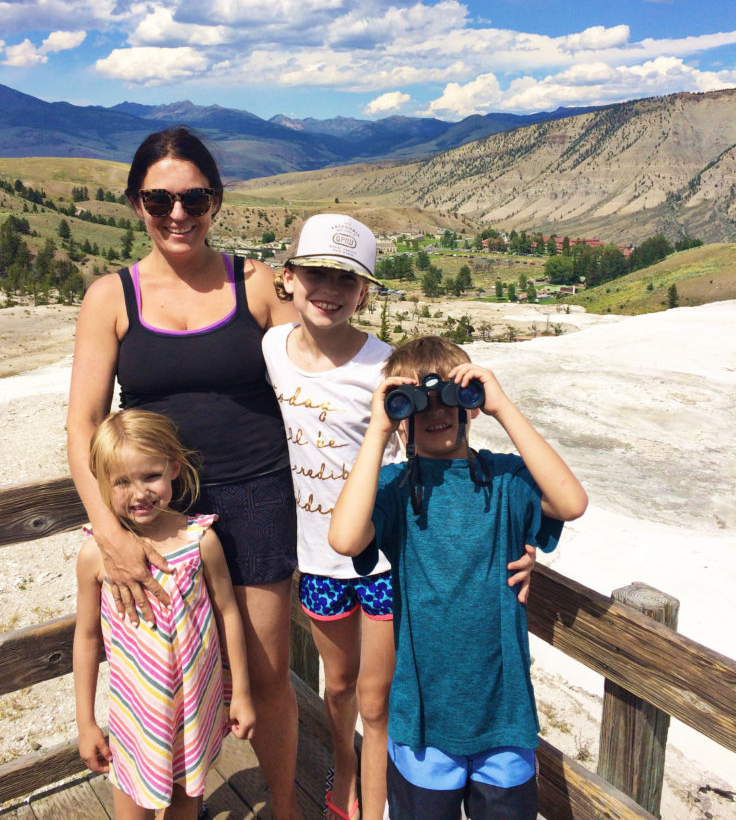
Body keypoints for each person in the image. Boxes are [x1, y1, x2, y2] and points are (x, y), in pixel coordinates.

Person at [262, 218, 536, 820]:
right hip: (319, 552)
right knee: (337, 687)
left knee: (378, 695)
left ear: (365, 291)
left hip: (388, 556)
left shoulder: (393, 368)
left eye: (346, 277)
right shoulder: (270, 352)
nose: (329, 286)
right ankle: (348, 764)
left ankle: (379, 800)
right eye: (316, 273)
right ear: (289, 278)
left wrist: (517, 540)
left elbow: (435, 460)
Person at [66, 126, 303, 820]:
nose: (178, 213)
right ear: (136, 203)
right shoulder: (111, 298)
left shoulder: (254, 284)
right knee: (163, 675)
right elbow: (82, 426)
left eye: (193, 197)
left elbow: (316, 382)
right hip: (156, 513)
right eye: (159, 198)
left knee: (264, 675)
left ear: (216, 201)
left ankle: (286, 809)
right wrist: (110, 532)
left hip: (258, 496)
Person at [328, 336, 588, 820]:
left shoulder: (507, 479)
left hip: (503, 717)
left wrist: (502, 407)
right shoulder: (393, 490)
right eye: (416, 403)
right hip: (423, 721)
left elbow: (571, 503)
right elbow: (344, 539)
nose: (434, 412)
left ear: (468, 402)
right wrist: (378, 428)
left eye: (449, 393)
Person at [73, 408, 255, 820]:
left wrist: (240, 691)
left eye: (150, 476)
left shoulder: (201, 541)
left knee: (185, 802)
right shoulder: (94, 557)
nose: (139, 493)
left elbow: (228, 613)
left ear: (174, 468)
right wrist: (86, 723)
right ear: (101, 483)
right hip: (138, 715)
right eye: (121, 481)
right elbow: (86, 638)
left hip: (195, 707)